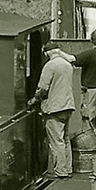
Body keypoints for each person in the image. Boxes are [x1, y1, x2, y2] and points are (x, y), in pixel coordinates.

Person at [30, 46, 77, 178]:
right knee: (65, 138)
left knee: (56, 141)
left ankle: (60, 172)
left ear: (46, 53)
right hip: (68, 105)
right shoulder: (67, 65)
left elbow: (43, 88)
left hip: (54, 107)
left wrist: (34, 99)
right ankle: (68, 169)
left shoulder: (50, 66)